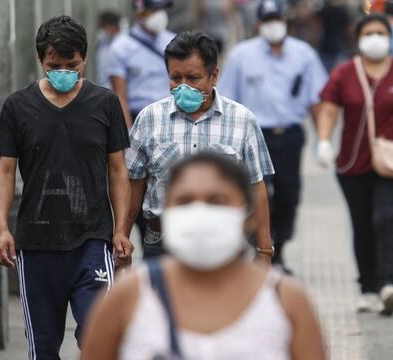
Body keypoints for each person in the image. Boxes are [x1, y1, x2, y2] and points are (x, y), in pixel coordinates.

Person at [82, 152, 326, 360]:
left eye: (217, 201)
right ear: (167, 212)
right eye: (185, 201)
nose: (200, 213)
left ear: (249, 214)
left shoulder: (286, 301)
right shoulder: (128, 296)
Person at [0, 16, 132, 358]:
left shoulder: (105, 104)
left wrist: (120, 230)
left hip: (92, 241)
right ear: (40, 61)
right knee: (42, 348)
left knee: (100, 338)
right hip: (36, 246)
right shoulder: (17, 107)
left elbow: (117, 170)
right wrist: (1, 229)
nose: (64, 72)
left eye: (72, 65)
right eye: (55, 65)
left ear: (85, 59)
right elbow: (5, 172)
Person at [315, 13, 393, 316]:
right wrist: (323, 141)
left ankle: (390, 285)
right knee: (362, 224)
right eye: (368, 33)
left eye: (380, 32)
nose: (374, 38)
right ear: (357, 39)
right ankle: (368, 288)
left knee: (388, 218)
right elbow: (329, 109)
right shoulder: (345, 73)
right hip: (354, 165)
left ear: (389, 38)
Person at [126, 31, 275, 263]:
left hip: (226, 242)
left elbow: (257, 189)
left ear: (213, 75)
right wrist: (121, 237)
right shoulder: (149, 119)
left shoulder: (242, 121)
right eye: (175, 78)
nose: (183, 86)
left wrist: (264, 251)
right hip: (163, 242)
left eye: (193, 78)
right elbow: (133, 186)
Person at [218, 0, 327, 271]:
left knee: (289, 194)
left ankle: (280, 248)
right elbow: (228, 100)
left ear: (286, 21)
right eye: (267, 20)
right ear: (258, 24)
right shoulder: (241, 56)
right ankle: (262, 248)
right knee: (258, 194)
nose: (272, 25)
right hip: (255, 137)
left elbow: (317, 101)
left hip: (290, 136)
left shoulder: (304, 55)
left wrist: (322, 140)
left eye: (277, 19)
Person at [106, 0, 176, 128]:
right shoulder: (120, 48)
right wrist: (128, 133)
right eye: (155, 10)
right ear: (140, 13)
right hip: (139, 121)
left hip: (171, 118)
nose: (160, 15)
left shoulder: (174, 42)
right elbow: (119, 96)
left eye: (162, 10)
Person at [315, 0, 353, 72]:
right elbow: (348, 30)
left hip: (328, 45)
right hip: (337, 46)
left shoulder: (325, 9)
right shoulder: (344, 10)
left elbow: (317, 27)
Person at [96, 11, 121, 89]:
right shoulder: (103, 41)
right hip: (103, 87)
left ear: (112, 26)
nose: (103, 30)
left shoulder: (122, 44)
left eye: (104, 27)